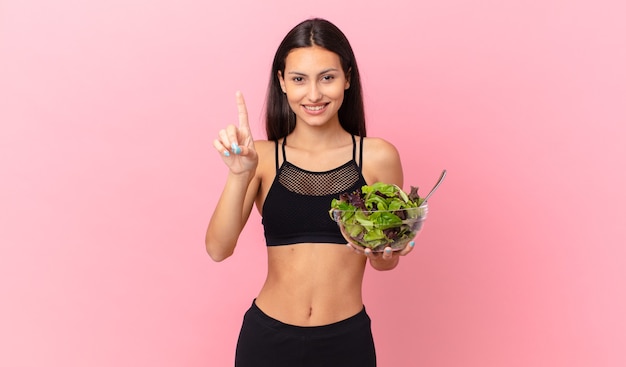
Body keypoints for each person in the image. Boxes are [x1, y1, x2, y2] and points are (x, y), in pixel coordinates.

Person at [206, 18, 415, 367]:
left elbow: (385, 258)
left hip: (346, 343)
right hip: (267, 341)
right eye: (299, 79)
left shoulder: (378, 157)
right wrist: (239, 176)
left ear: (347, 78)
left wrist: (385, 255)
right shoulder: (262, 158)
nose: (314, 94)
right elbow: (218, 249)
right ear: (282, 82)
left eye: (327, 77)